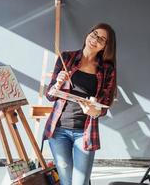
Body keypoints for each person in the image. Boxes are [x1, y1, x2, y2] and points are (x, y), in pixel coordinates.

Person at [43, 23, 117, 185]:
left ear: (105, 47)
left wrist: (94, 111)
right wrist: (57, 84)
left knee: (80, 183)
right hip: (59, 130)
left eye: (102, 39)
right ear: (88, 33)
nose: (95, 39)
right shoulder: (67, 58)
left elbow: (104, 104)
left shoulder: (106, 69)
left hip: (84, 133)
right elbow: (49, 95)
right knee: (66, 181)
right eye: (94, 34)